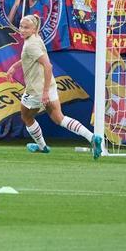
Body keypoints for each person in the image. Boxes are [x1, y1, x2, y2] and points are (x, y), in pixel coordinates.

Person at [17, 13, 102, 158]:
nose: (22, 30)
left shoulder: (30, 45)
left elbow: (48, 66)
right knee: (59, 117)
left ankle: (42, 147)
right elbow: (32, 59)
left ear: (34, 29)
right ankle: (92, 137)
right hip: (50, 85)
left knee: (26, 117)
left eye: (26, 28)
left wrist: (44, 93)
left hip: (37, 90)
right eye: (21, 26)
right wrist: (15, 66)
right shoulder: (36, 39)